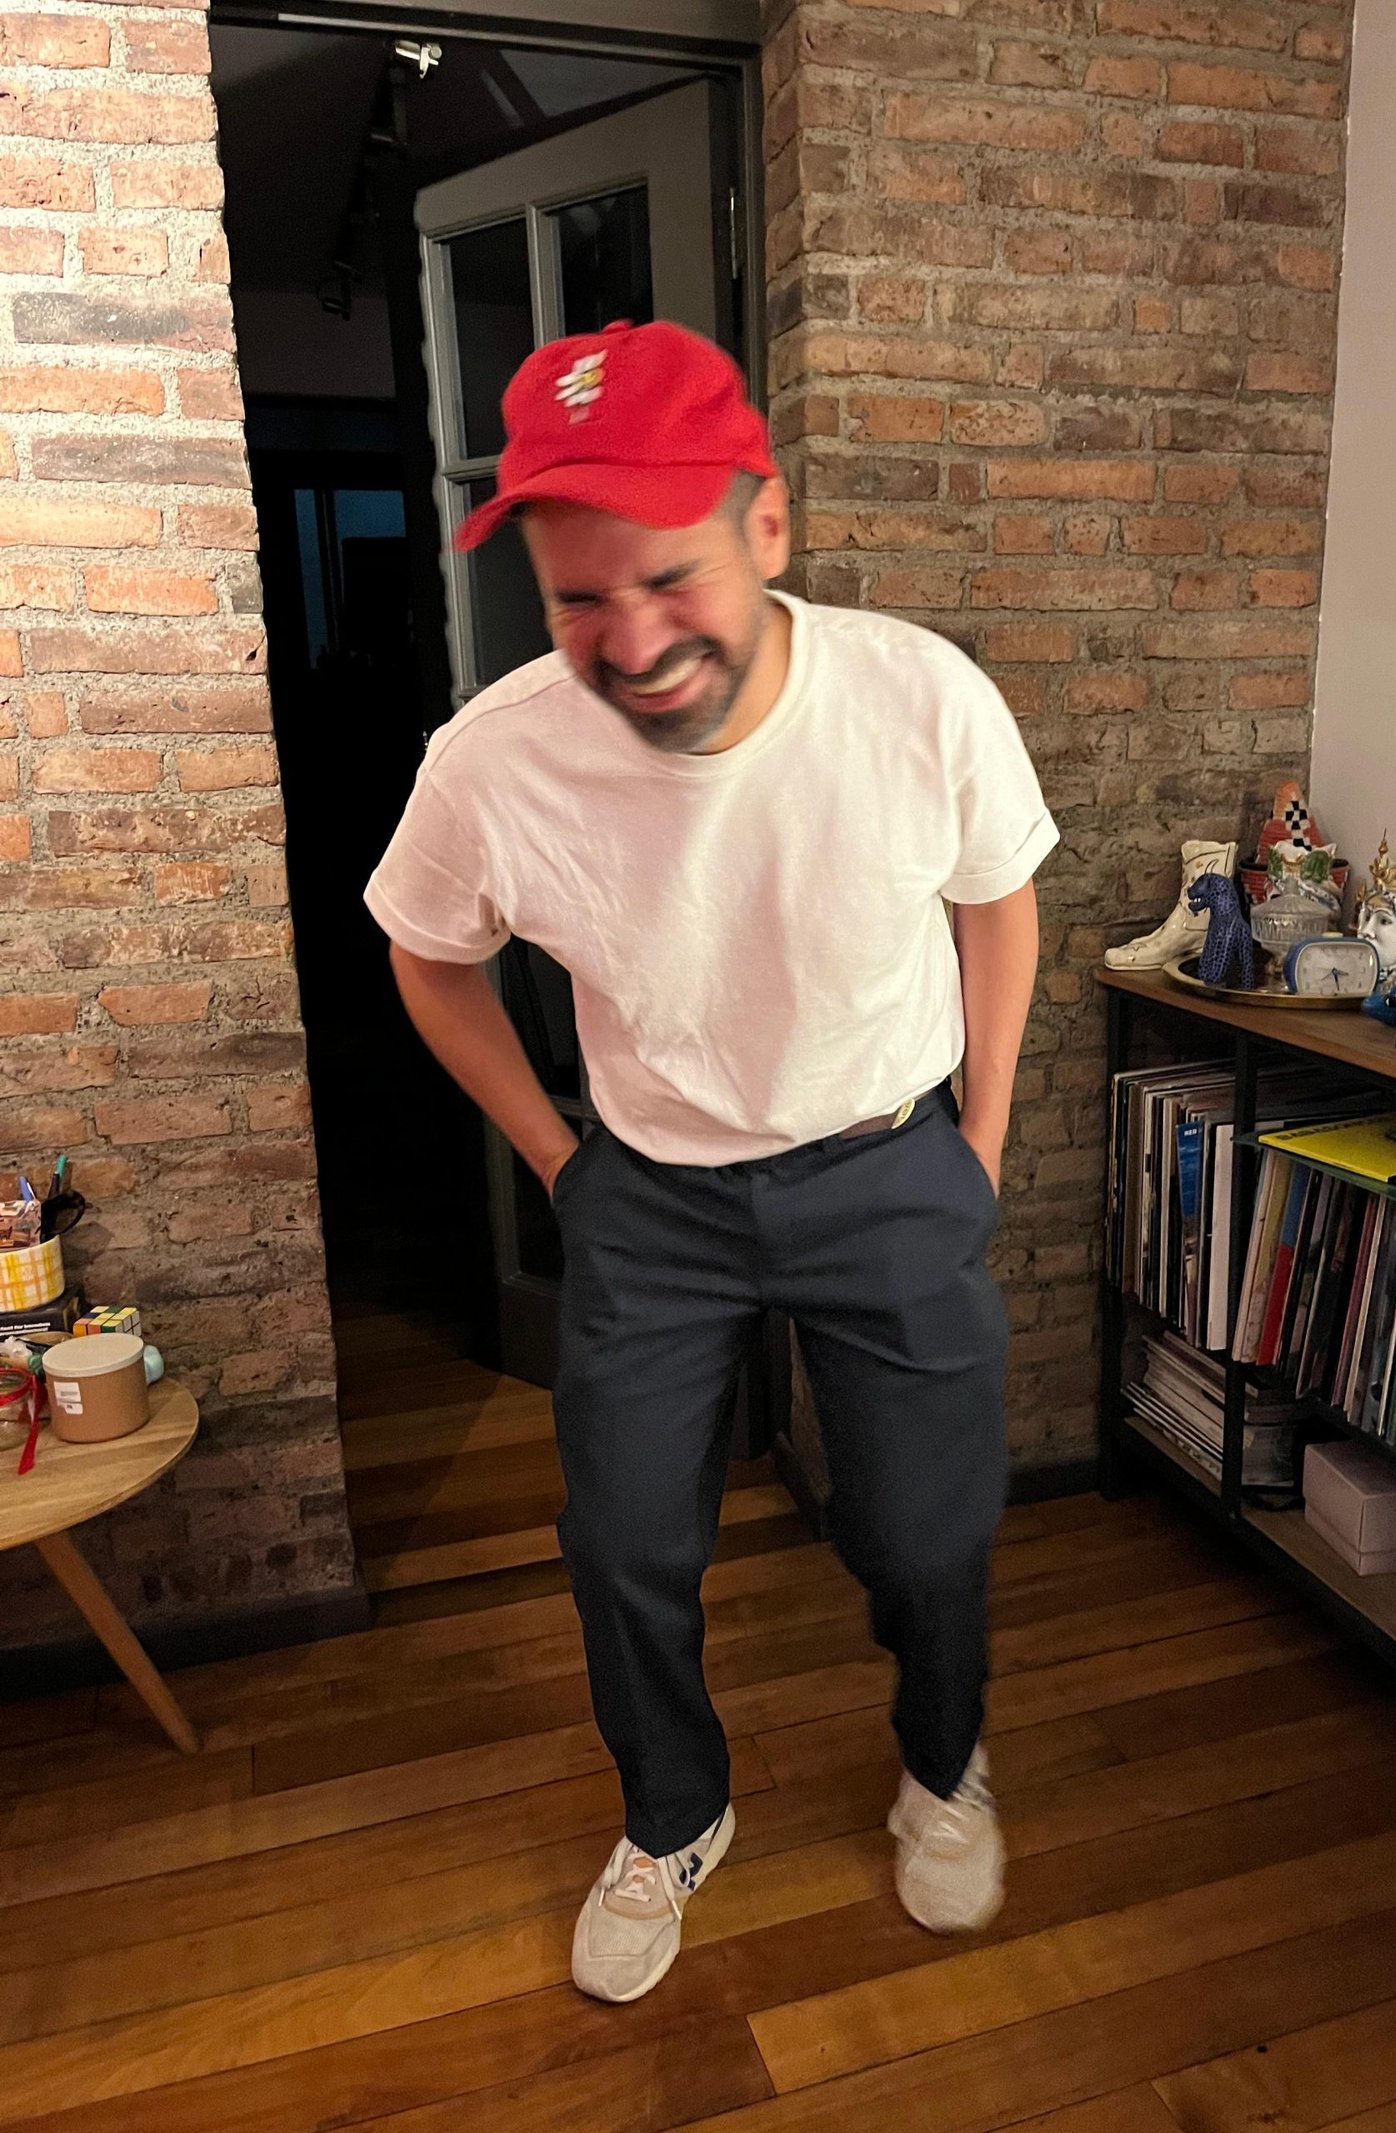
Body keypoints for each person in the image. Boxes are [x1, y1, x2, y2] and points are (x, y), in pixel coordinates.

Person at [365, 319, 1058, 2004]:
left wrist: (978, 1138)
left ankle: (942, 1762)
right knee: (622, 1542)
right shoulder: (492, 759)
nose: (634, 639)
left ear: (769, 524)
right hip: (652, 1195)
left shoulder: (919, 697)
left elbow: (999, 903)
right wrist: (559, 1159)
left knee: (925, 1530)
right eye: (579, 600)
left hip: (888, 1163)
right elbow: (428, 957)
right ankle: (674, 1813)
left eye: (670, 576)